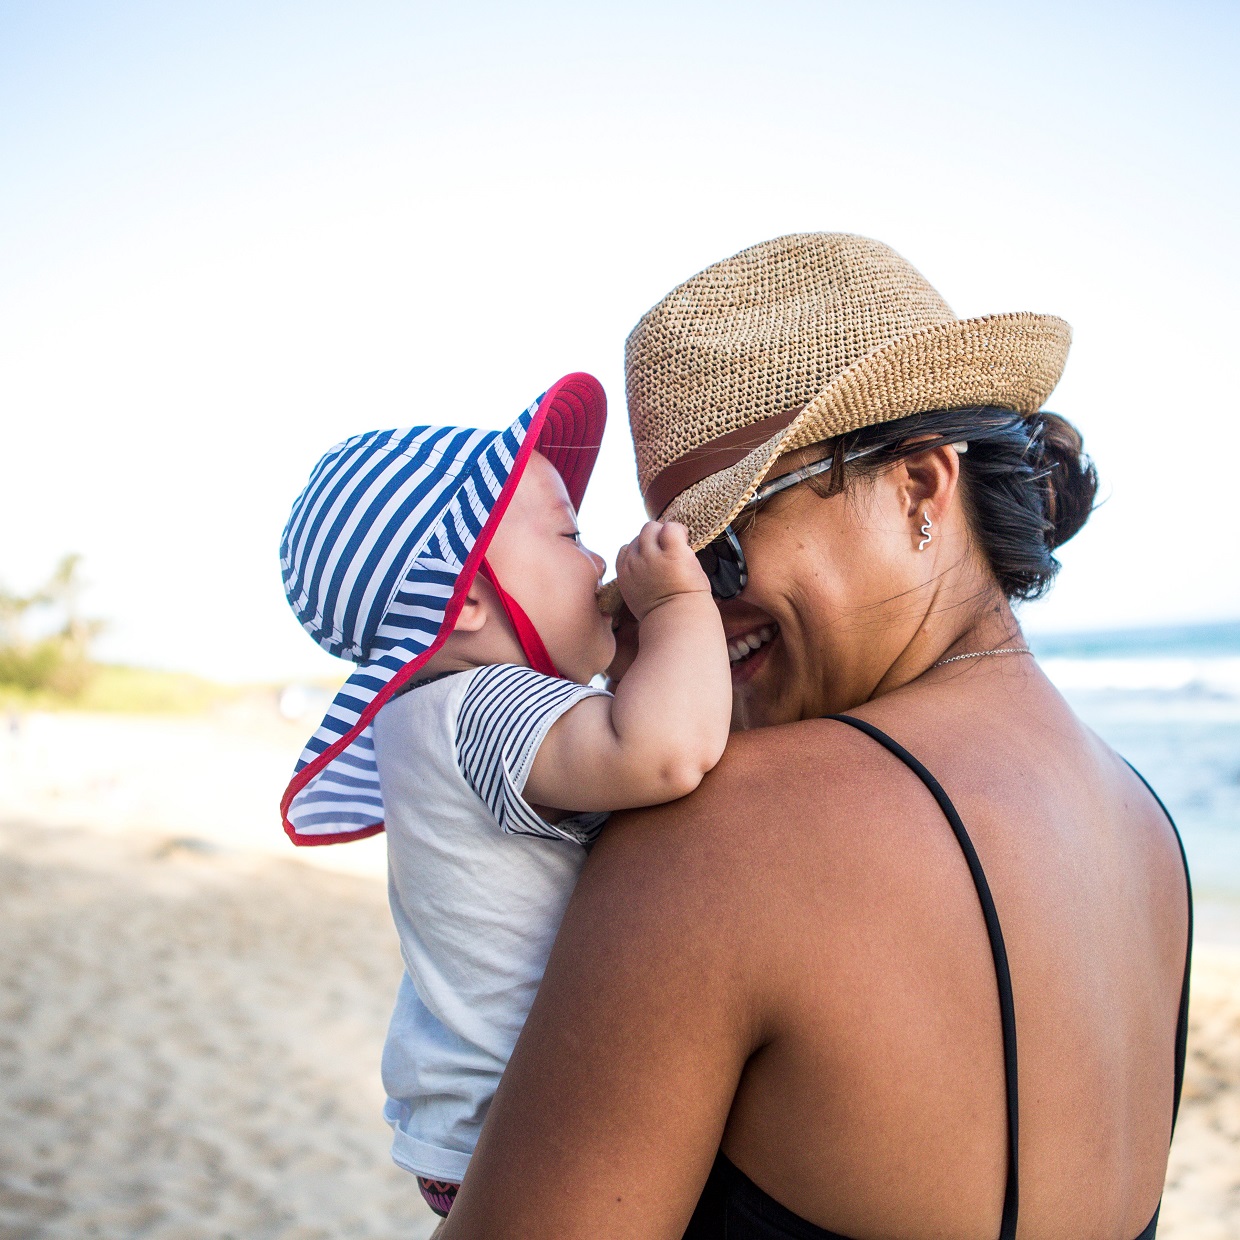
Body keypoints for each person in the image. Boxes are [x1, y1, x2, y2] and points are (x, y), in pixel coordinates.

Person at [438, 235, 1192, 1239]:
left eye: (722, 542)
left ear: (920, 487)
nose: (697, 602)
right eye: (675, 556)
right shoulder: (1147, 829)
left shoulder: (729, 836)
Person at [277, 373, 730, 1219]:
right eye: (568, 535)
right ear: (469, 601)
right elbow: (667, 753)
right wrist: (677, 606)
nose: (597, 560)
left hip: (465, 1125)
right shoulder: (486, 704)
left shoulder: (433, 718)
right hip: (517, 1121)